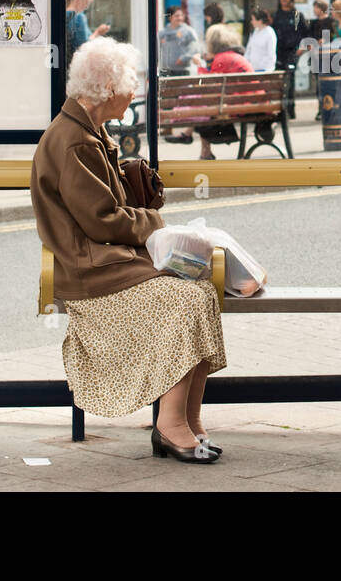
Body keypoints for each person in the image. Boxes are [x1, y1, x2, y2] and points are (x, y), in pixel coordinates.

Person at [30, 36, 225, 464]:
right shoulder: (75, 140)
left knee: (200, 292)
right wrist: (159, 224)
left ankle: (187, 420)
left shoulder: (87, 130)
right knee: (185, 300)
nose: (133, 92)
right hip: (93, 271)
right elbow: (102, 220)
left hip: (107, 263)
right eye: (129, 83)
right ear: (106, 88)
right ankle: (170, 426)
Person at [191, 24, 254, 160]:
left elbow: (208, 86)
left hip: (239, 105)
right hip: (250, 101)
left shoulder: (221, 59)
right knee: (206, 108)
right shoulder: (234, 56)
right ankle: (204, 152)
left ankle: (204, 151)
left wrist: (200, 65)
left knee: (203, 109)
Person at [272, 0, 307, 120]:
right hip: (279, 53)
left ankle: (290, 111)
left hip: (292, 52)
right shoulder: (277, 15)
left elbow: (305, 33)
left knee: (290, 81)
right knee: (279, 82)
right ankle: (281, 111)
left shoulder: (297, 15)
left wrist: (301, 48)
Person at [64, 0, 110, 70]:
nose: (86, 7)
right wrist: (98, 33)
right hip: (77, 66)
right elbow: (84, 46)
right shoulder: (79, 17)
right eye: (86, 3)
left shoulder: (63, 15)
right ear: (78, 0)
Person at [156, 6, 200, 77]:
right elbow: (156, 50)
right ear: (170, 17)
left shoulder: (188, 31)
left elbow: (195, 48)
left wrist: (184, 58)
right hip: (165, 71)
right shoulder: (162, 33)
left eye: (181, 15)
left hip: (183, 71)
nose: (180, 18)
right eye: (177, 16)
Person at [244, 7, 278, 72]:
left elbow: (271, 54)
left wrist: (268, 71)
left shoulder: (270, 33)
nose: (251, 22)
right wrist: (245, 64)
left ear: (260, 20)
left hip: (264, 70)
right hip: (252, 69)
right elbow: (248, 50)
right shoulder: (254, 32)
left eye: (253, 19)